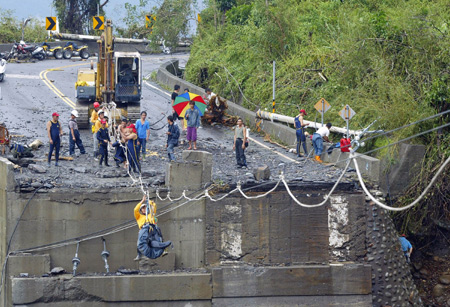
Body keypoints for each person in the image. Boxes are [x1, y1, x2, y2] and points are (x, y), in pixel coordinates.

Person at [134, 195, 172, 261]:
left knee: (157, 238)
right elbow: (135, 210)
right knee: (141, 241)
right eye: (143, 208)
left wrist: (149, 201)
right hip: (144, 230)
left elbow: (154, 206)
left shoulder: (150, 215)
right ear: (141, 210)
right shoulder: (139, 217)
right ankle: (139, 255)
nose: (144, 209)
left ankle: (163, 249)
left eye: (145, 208)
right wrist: (142, 201)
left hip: (152, 229)